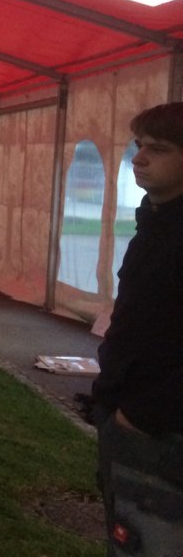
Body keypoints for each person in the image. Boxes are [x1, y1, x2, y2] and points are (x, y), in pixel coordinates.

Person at [91, 101, 183, 554]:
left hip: (161, 430)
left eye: (158, 149)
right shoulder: (155, 223)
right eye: (139, 146)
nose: (139, 158)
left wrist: (144, 414)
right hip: (128, 416)